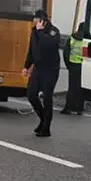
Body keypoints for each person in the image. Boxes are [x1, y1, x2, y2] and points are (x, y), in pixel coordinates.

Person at [23, 9, 61, 137]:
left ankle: (46, 128)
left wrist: (40, 32)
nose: (34, 21)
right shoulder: (34, 31)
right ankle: (43, 119)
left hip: (50, 69)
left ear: (42, 20)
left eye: (36, 19)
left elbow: (48, 44)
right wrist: (26, 66)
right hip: (38, 68)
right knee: (31, 94)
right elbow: (32, 49)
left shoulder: (53, 31)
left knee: (47, 97)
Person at [61, 22, 85, 116]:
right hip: (82, 67)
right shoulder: (86, 40)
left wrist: (68, 65)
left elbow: (66, 53)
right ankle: (80, 109)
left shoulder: (72, 38)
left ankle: (68, 108)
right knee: (81, 88)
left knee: (72, 88)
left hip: (73, 65)